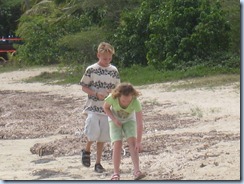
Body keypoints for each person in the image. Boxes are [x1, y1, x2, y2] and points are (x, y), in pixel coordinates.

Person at [79, 42, 120, 173]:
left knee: (102, 137)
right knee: (92, 131)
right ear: (98, 55)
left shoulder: (114, 71)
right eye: (104, 58)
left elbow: (117, 89)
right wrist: (96, 93)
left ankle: (98, 163)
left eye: (109, 58)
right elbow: (84, 86)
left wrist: (111, 94)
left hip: (106, 108)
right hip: (93, 107)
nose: (107, 61)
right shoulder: (91, 69)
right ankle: (86, 150)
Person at [103, 83, 146, 180]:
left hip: (129, 120)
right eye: (123, 100)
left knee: (132, 143)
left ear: (132, 96)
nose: (126, 102)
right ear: (118, 96)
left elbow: (139, 123)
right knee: (117, 144)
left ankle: (137, 171)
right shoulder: (112, 98)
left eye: (128, 100)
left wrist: (139, 142)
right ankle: (116, 173)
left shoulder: (135, 102)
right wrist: (114, 119)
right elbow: (105, 108)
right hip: (115, 120)